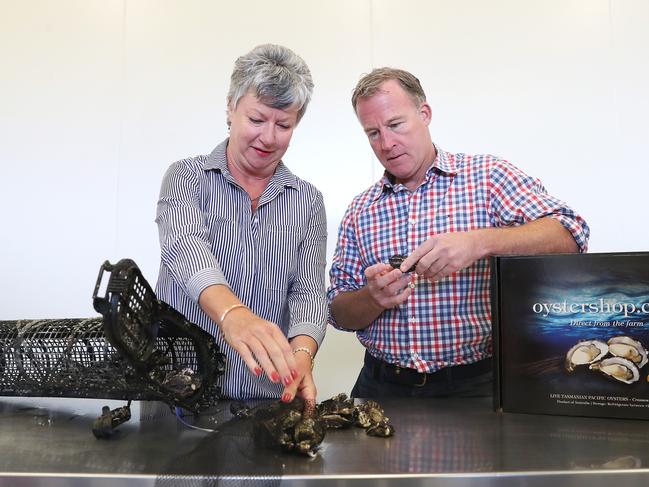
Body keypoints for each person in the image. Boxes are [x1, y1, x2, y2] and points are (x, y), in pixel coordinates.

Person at [327, 67, 590, 398]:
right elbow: (338, 312)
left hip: (476, 387)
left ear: (424, 114)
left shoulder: (487, 177)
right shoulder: (359, 209)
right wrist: (372, 297)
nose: (387, 143)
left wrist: (480, 241)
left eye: (395, 124)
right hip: (381, 387)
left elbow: (571, 232)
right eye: (373, 133)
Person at [155, 44, 327, 403]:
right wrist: (234, 314)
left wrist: (303, 355)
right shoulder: (186, 177)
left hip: (264, 396)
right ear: (231, 108)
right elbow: (185, 249)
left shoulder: (307, 200)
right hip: (178, 392)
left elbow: (308, 292)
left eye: (283, 125)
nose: (268, 137)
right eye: (256, 119)